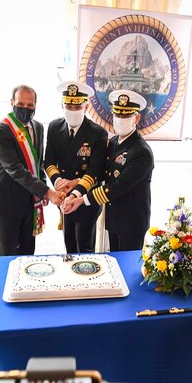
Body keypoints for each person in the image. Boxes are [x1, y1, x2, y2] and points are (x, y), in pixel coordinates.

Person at [63, 89, 154, 252]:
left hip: (132, 221)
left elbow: (118, 187)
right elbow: (102, 173)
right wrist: (75, 184)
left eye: (126, 116)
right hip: (114, 218)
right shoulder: (114, 142)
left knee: (127, 267)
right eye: (117, 115)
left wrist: (82, 200)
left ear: (137, 118)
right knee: (116, 262)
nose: (120, 120)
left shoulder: (141, 152)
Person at [0, 84, 63, 256]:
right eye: (21, 104)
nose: (25, 109)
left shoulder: (38, 127)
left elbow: (37, 163)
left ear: (35, 106)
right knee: (8, 256)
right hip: (7, 204)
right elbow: (15, 170)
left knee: (28, 254)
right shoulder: (1, 131)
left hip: (30, 203)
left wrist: (42, 190)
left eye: (30, 105)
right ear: (12, 102)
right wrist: (48, 192)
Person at [43, 80, 108, 253]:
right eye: (69, 107)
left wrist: (75, 193)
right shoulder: (54, 127)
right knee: (69, 244)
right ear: (62, 105)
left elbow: (95, 171)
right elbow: (48, 161)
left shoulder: (98, 133)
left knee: (84, 247)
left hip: (86, 198)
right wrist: (58, 182)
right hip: (63, 196)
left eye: (77, 107)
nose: (73, 111)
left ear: (86, 107)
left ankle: (88, 279)